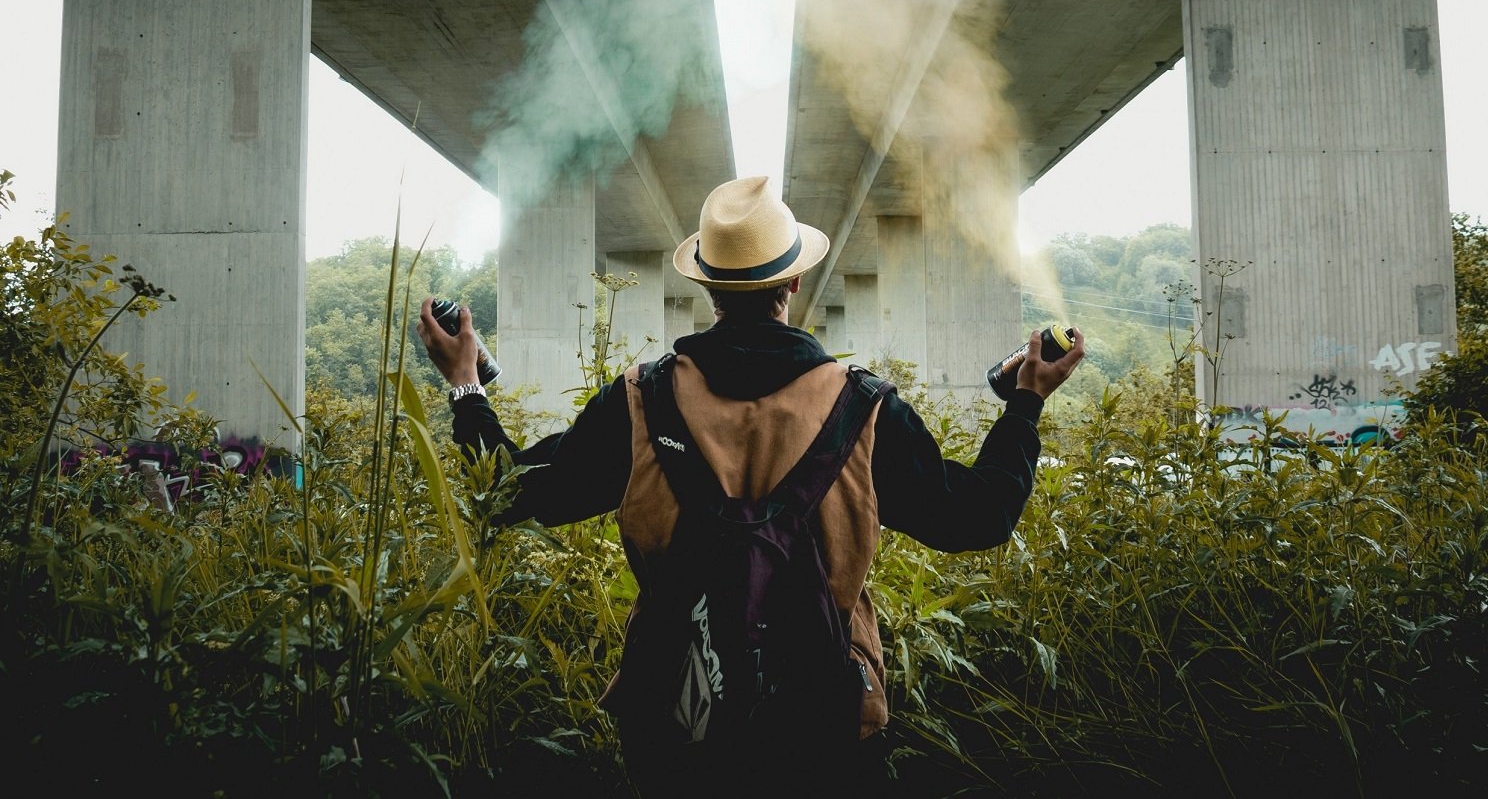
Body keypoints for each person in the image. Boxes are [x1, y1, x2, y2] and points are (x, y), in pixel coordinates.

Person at [417, 175, 1084, 796]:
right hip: (823, 722)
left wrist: (466, 384)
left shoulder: (640, 402)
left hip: (672, 720)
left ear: (708, 287)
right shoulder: (865, 409)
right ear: (792, 281)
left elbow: (508, 492)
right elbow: (979, 517)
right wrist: (1025, 405)